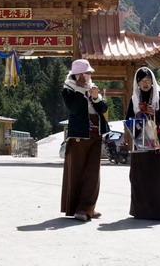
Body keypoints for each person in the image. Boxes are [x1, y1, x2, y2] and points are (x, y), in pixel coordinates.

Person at [124, 66, 160, 222]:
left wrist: (154, 112)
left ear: (153, 81)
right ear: (138, 82)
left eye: (148, 80)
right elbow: (128, 118)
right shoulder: (135, 99)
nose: (145, 83)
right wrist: (138, 115)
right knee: (140, 176)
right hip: (141, 140)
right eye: (142, 80)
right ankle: (143, 211)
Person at [60, 58, 108, 222]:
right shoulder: (68, 90)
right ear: (78, 75)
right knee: (77, 171)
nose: (89, 76)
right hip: (79, 135)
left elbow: (103, 109)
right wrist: (83, 92)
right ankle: (77, 208)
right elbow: (74, 108)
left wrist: (96, 98)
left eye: (89, 73)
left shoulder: (92, 88)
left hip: (96, 133)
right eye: (86, 73)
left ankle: (88, 207)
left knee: (93, 172)